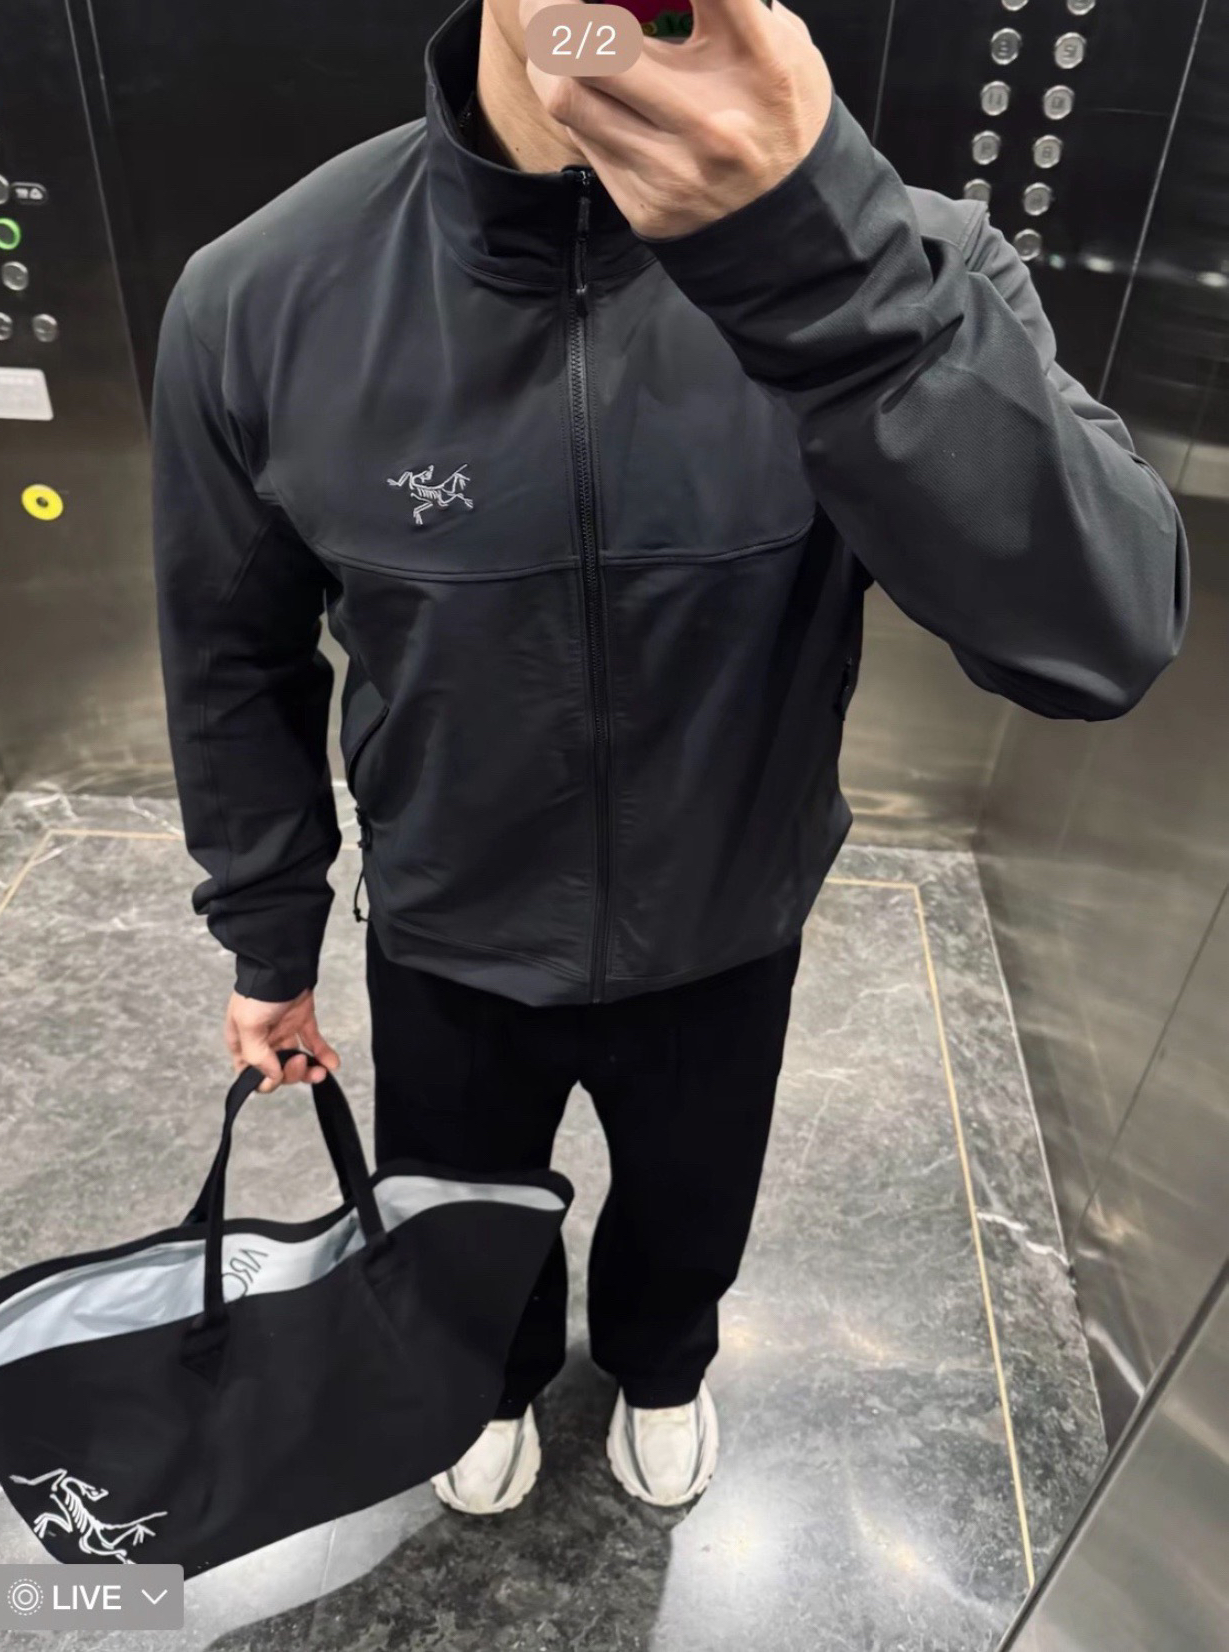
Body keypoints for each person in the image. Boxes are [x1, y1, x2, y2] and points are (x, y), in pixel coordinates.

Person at [151, 0, 1188, 1515]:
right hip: (450, 925)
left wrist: (825, 276)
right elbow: (228, 657)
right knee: (461, 1216)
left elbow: (1099, 639)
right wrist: (267, 933)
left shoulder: (905, 265)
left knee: (692, 1208)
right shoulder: (264, 292)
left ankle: (661, 1364)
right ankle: (491, 1380)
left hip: (726, 922)